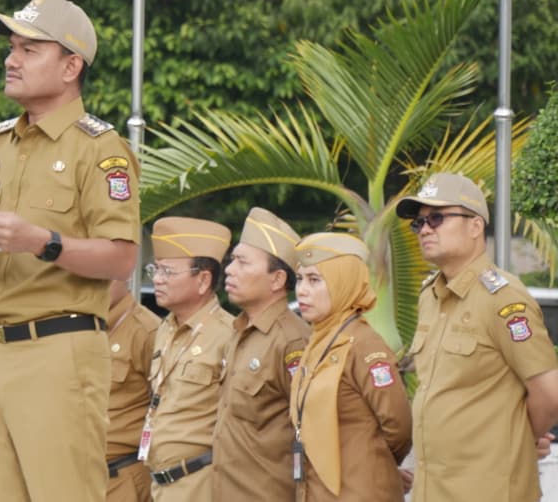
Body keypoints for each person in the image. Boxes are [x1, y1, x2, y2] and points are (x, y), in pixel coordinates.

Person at [0, 0, 141, 502]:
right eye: (12, 48)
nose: (12, 60)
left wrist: (43, 243)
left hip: (60, 351)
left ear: (71, 67)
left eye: (29, 50)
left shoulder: (99, 148)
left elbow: (122, 258)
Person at [397, 172, 558, 502]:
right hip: (434, 489)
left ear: (475, 226)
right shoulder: (430, 296)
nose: (425, 229)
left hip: (487, 489)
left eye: (437, 218)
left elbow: (550, 391)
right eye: (419, 223)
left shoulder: (502, 298)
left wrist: (521, 439)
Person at [289, 232, 412, 501]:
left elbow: (399, 427)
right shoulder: (318, 341)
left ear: (343, 282)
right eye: (299, 279)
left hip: (360, 491)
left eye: (314, 280)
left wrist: (373, 458)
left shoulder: (364, 346)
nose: (302, 290)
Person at [210, 207, 310, 501]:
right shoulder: (239, 331)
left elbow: (313, 430)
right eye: (232, 260)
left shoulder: (292, 341)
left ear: (277, 279)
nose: (229, 269)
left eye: (242, 262)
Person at [142, 217, 235, 501]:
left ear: (203, 279)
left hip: (200, 482)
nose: (157, 279)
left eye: (168, 271)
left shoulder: (229, 335)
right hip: (160, 484)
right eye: (155, 269)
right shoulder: (165, 329)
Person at [105, 278, 161, 502]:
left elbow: (162, 404)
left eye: (105, 275)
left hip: (121, 477)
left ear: (125, 275)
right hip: (78, 476)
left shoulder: (147, 330)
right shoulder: (79, 326)